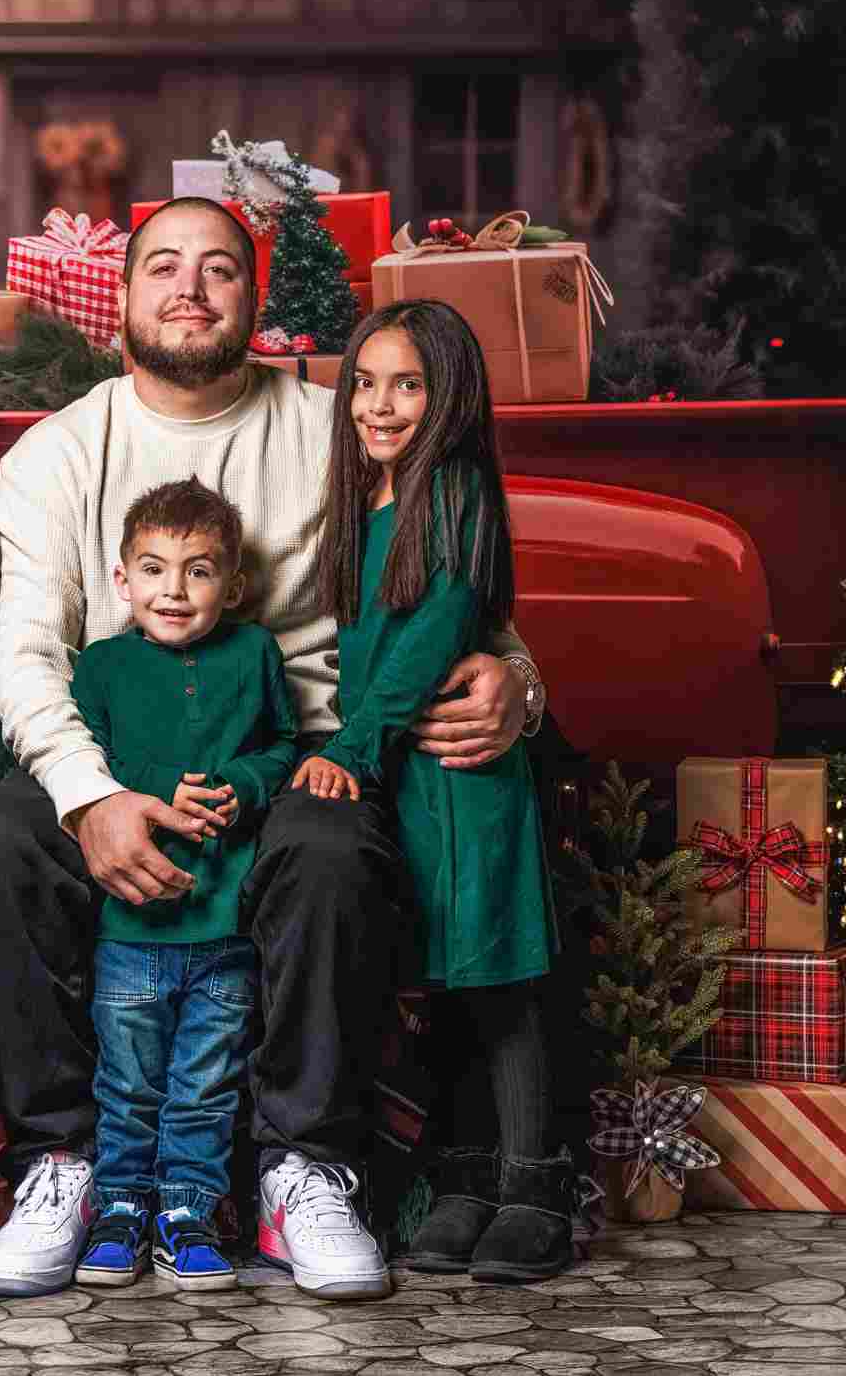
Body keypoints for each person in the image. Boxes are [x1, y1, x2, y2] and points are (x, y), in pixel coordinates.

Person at [0, 196, 546, 1301]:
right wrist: (90, 801)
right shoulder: (55, 453)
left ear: (253, 296)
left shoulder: (333, 422)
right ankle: (62, 1161)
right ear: (120, 298)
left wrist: (519, 682)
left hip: (303, 754)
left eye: (218, 268)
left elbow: (449, 577)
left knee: (326, 854)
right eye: (162, 267)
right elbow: (26, 659)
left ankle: (304, 1164)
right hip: (107, 751)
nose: (188, 288)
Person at [300, 301, 567, 1283]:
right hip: (411, 782)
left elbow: (424, 642)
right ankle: (461, 1180)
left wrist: (356, 746)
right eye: (363, 382)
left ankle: (535, 1183)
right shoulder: (361, 505)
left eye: (404, 384)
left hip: (463, 775)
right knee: (444, 982)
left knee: (497, 974)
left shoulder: (450, 493)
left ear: (447, 394)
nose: (377, 403)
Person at [68, 477, 297, 1291]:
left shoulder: (254, 654)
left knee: (204, 1084)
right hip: (134, 930)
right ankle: (121, 1207)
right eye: (154, 569)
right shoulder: (101, 666)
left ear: (231, 586)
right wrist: (162, 788)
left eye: (199, 572)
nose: (175, 590)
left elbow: (283, 745)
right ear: (122, 580)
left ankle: (188, 1211)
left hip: (226, 925)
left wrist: (243, 782)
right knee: (128, 1081)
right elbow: (93, 763)